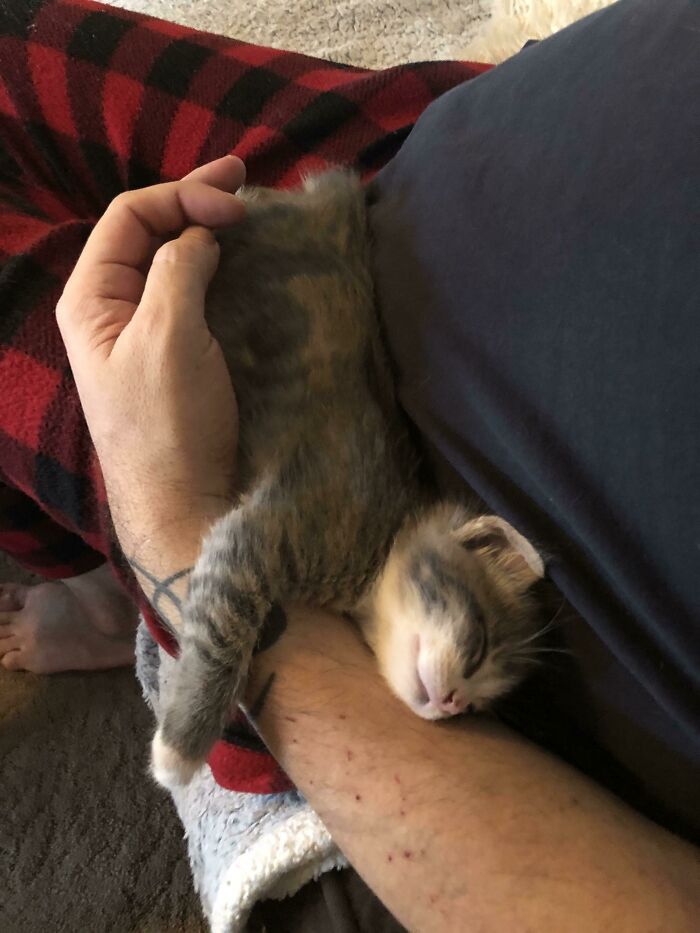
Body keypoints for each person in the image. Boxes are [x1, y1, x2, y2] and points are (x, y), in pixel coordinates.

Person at [2, 0, 699, 928]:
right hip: (427, 171)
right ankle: (91, 576)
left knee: (49, 299)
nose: (460, 693)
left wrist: (166, 522)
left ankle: (102, 581)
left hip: (357, 394)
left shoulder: (372, 573)